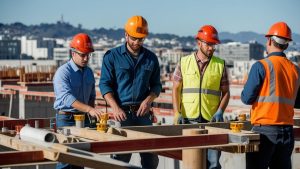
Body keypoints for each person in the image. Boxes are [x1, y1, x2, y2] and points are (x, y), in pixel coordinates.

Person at [99, 15, 161, 169]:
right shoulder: (112, 57)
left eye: (141, 39)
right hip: (122, 114)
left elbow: (156, 86)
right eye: (134, 38)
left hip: (143, 115)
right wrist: (115, 107)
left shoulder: (151, 59)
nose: (137, 42)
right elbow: (105, 85)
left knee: (151, 158)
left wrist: (148, 100)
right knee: (120, 158)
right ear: (126, 35)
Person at [241, 22, 300, 169]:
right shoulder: (296, 70)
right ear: (286, 44)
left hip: (264, 133)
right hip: (287, 133)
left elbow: (246, 98)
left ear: (269, 41)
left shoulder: (261, 66)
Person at [172, 25, 230, 169]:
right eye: (209, 44)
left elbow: (226, 92)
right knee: (192, 163)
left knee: (213, 164)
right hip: (189, 121)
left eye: (214, 45)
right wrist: (176, 112)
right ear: (199, 43)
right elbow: (176, 89)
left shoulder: (220, 65)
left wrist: (220, 111)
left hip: (212, 122)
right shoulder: (184, 62)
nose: (211, 48)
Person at [53, 33, 103, 169]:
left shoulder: (88, 72)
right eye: (83, 55)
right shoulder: (63, 73)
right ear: (73, 53)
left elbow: (91, 96)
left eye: (88, 55)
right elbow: (67, 98)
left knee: (80, 159)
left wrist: (93, 116)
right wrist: (90, 109)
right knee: (65, 158)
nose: (86, 58)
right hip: (66, 118)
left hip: (84, 119)